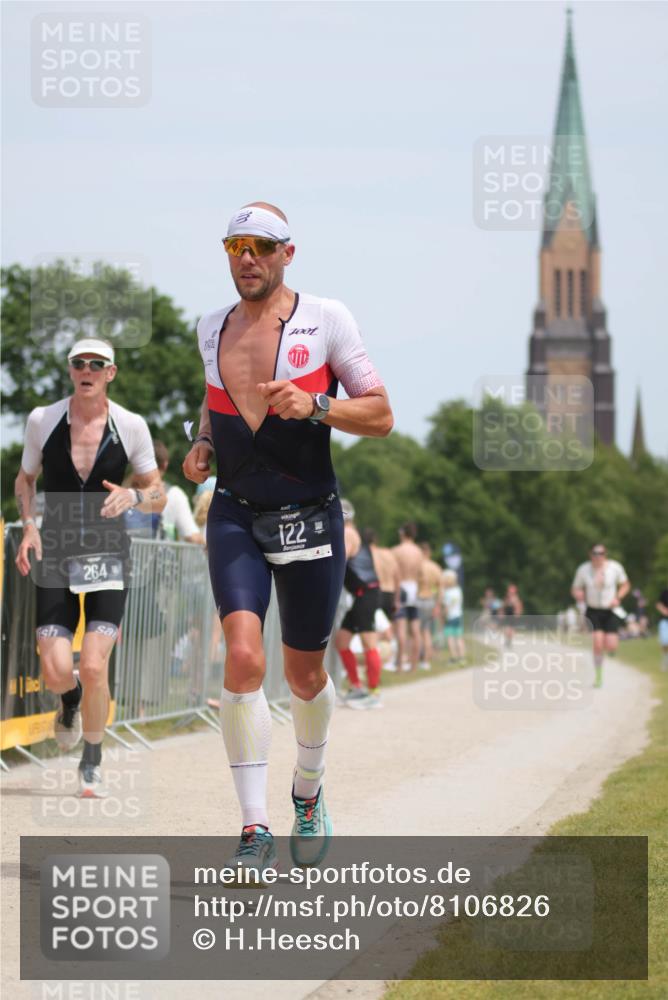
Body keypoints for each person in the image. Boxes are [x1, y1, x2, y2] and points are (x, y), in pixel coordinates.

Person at [182, 202, 392, 876]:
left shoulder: (326, 319)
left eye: (261, 246)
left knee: (304, 673)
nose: (247, 257)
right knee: (243, 658)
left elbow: (382, 414)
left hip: (310, 512)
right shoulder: (209, 326)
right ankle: (253, 826)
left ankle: (308, 790)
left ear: (287, 254)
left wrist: (318, 405)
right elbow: (216, 407)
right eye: (236, 245)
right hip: (236, 511)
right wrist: (202, 444)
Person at [14, 338, 165, 796]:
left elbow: (157, 492)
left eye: (96, 364)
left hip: (107, 554)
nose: (87, 370)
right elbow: (25, 479)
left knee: (96, 665)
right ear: (70, 370)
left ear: (110, 373)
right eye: (79, 363)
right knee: (58, 668)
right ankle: (70, 700)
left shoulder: (131, 425)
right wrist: (29, 526)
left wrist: (135, 496)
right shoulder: (43, 419)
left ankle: (93, 755)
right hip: (56, 550)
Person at [335, 502, 383, 709]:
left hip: (366, 593)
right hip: (361, 594)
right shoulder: (351, 531)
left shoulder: (347, 532)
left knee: (368, 642)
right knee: (342, 641)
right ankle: (357, 686)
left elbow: (338, 560)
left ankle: (373, 692)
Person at [571, 544, 631, 688]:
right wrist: (578, 594)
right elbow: (575, 588)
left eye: (601, 553)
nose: (598, 556)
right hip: (593, 610)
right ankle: (598, 676)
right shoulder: (583, 569)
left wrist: (618, 597)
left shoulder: (615, 567)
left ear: (605, 554)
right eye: (595, 553)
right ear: (590, 554)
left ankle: (611, 649)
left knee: (610, 645)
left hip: (611, 610)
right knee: (597, 644)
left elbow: (626, 584)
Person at [153, 440, 204, 544]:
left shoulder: (125, 492)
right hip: (159, 559)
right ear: (165, 465)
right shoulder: (174, 495)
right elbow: (192, 536)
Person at [391, 522, 424, 672]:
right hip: (415, 587)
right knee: (416, 628)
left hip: (402, 587)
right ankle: (414, 665)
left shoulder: (397, 550)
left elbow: (393, 572)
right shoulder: (419, 551)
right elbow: (421, 574)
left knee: (401, 628)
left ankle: (399, 664)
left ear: (403, 533)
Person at [416, 542, 443, 670]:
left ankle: (416, 659)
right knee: (426, 632)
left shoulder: (418, 566)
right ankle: (426, 661)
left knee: (416, 631)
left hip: (419, 599)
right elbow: (440, 589)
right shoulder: (436, 567)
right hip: (431, 601)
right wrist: (437, 605)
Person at [442, 570, 466, 664]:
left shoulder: (447, 592)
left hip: (450, 617)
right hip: (458, 616)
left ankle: (453, 658)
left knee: (450, 638)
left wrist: (443, 615)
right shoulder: (458, 590)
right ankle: (462, 658)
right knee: (459, 638)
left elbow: (447, 607)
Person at [502, 582, 523, 648]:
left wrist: (518, 613)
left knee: (511, 629)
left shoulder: (516, 598)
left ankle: (509, 640)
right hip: (507, 614)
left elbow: (519, 606)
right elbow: (504, 605)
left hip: (513, 615)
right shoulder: (507, 597)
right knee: (506, 628)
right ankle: (507, 640)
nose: (511, 592)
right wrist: (502, 612)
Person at [656, 587, 668, 672]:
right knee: (665, 642)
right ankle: (665, 660)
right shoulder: (665, 592)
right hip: (664, 620)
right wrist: (664, 610)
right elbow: (658, 604)